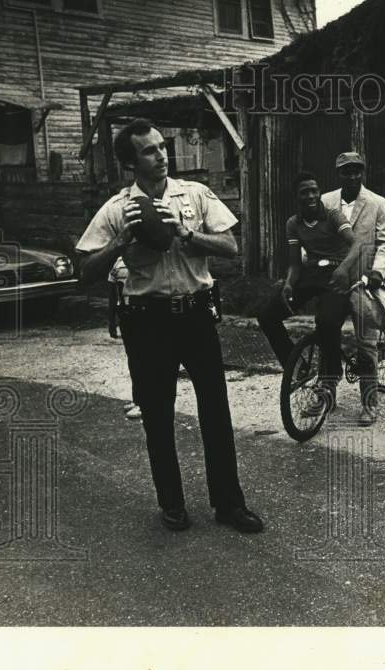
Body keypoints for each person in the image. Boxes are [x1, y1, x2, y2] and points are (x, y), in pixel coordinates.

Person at [76, 118, 263, 534]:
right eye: (149, 150)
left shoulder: (194, 194)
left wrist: (185, 233)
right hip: (148, 322)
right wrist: (120, 243)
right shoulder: (116, 209)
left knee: (215, 411)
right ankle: (172, 504)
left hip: (196, 314)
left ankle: (229, 504)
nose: (161, 154)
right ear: (130, 162)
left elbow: (232, 248)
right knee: (158, 416)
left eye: (162, 146)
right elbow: (85, 271)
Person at [257, 172, 363, 412]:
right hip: (312, 275)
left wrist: (344, 269)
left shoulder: (334, 216)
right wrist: (288, 283)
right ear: (297, 196)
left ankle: (329, 384)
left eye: (314, 190)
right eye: (305, 192)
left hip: (338, 275)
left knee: (326, 322)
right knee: (267, 316)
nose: (311, 195)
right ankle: (298, 369)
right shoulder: (293, 224)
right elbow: (295, 264)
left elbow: (356, 244)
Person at [320, 151, 385, 426]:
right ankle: (326, 393)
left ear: (363, 172)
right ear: (338, 174)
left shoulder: (377, 203)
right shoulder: (326, 201)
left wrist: (378, 270)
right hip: (334, 281)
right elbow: (317, 234)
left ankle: (369, 402)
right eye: (346, 171)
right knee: (326, 335)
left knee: (366, 342)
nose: (352, 176)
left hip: (364, 282)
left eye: (357, 171)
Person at [107, 256, 142, 421]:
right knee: (133, 359)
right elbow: (113, 293)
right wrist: (111, 319)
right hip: (126, 314)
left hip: (143, 314)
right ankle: (139, 399)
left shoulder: (145, 258)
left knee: (143, 361)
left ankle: (144, 402)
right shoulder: (119, 262)